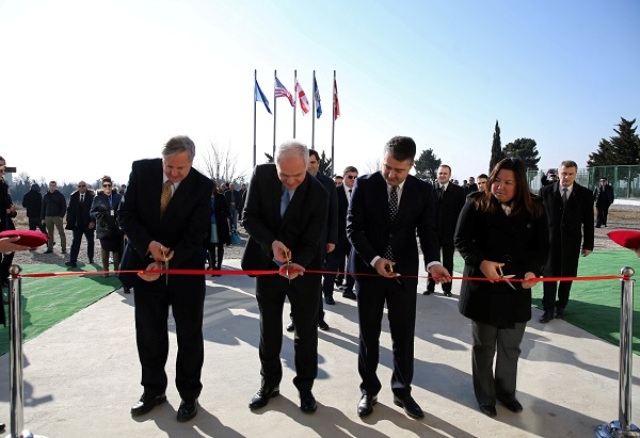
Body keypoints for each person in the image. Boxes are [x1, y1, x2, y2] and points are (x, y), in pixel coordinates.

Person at [347, 136, 451, 419]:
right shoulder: (365, 185)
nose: (391, 174)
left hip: (403, 272)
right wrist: (375, 260)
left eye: (399, 170)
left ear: (411, 165)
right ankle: (369, 390)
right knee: (368, 334)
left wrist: (433, 262)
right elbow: (353, 229)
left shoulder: (422, 190)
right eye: (387, 167)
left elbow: (428, 230)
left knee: (403, 334)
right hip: (369, 270)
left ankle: (402, 391)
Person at [118, 135, 212, 422]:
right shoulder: (142, 171)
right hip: (145, 266)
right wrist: (149, 247)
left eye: (181, 168)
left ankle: (189, 395)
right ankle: (153, 390)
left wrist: (167, 261)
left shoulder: (202, 186)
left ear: (191, 162)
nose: (173, 173)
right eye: (168, 166)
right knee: (149, 332)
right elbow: (126, 215)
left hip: (185, 269)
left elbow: (197, 234)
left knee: (189, 334)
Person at [455, 158, 549, 417]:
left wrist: (533, 271)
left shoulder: (535, 207)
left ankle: (506, 392)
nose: (500, 187)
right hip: (484, 287)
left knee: (511, 346)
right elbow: (461, 240)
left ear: (520, 185)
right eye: (497, 180)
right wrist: (481, 262)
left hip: (516, 288)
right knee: (484, 346)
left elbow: (541, 248)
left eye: (508, 182)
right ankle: (485, 396)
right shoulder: (476, 203)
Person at [241, 140, 328, 414]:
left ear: (307, 166)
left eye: (297, 175)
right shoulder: (261, 175)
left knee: (306, 332)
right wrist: (271, 244)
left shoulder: (319, 193)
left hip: (304, 270)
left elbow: (313, 239)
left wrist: (298, 263)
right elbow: (248, 217)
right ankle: (269, 383)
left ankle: (305, 388)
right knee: (269, 328)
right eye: (284, 175)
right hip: (267, 265)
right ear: (275, 166)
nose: (290, 181)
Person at [286, 149, 337, 332]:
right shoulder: (293, 181)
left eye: (313, 162)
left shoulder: (328, 184)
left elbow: (334, 212)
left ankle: (318, 317)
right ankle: (295, 318)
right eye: (306, 163)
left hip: (319, 241)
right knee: (294, 281)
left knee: (315, 282)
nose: (310, 166)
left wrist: (332, 239)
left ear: (318, 163)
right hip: (295, 241)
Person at [539, 160, 594, 323]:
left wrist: (588, 245)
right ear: (558, 173)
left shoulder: (585, 194)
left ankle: (561, 306)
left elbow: (589, 221)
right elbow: (538, 218)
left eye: (571, 174)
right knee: (549, 275)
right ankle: (548, 309)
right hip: (550, 242)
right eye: (564, 173)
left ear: (576, 175)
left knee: (567, 275)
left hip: (571, 242)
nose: (567, 177)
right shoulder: (545, 191)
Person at [424, 164, 465, 297]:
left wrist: (458, 232)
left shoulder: (459, 192)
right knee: (432, 260)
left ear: (449, 175)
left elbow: (461, 214)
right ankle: (430, 287)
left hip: (449, 233)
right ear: (437, 175)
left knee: (448, 261)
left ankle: (447, 289)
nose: (442, 176)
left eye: (445, 173)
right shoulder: (429, 190)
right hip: (433, 233)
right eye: (440, 173)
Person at [323, 166, 358, 302]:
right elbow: (330, 215)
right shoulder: (335, 192)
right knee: (332, 265)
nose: (353, 180)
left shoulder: (358, 192)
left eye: (355, 177)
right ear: (344, 177)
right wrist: (329, 237)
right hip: (337, 236)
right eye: (350, 177)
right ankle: (328, 293)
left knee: (352, 264)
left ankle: (348, 289)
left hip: (353, 236)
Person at [90, 176, 123, 278]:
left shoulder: (118, 197)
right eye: (105, 186)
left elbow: (123, 209)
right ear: (102, 187)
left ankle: (117, 270)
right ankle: (105, 271)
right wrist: (97, 215)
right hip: (103, 227)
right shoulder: (98, 198)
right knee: (105, 249)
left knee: (116, 250)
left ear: (112, 186)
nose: (107, 187)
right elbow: (91, 212)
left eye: (109, 185)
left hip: (116, 227)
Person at [65, 181, 96, 267]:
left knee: (90, 242)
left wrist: (93, 221)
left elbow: (95, 210)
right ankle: (73, 260)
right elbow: (70, 209)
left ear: (86, 186)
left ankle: (91, 259)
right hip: (77, 224)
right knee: (76, 242)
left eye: (83, 186)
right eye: (79, 186)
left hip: (88, 224)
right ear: (77, 187)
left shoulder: (92, 196)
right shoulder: (74, 196)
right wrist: (69, 220)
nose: (81, 187)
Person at [206, 181, 231, 273]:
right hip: (209, 225)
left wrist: (229, 219)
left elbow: (226, 209)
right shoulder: (205, 197)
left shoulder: (221, 197)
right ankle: (213, 267)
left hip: (220, 224)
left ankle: (219, 267)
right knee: (210, 246)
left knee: (220, 245)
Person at [41, 181, 67, 254]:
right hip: (48, 217)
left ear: (56, 187)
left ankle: (63, 248)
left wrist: (61, 216)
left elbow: (64, 207)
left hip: (57, 217)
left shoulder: (60, 195)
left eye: (53, 186)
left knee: (61, 233)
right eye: (51, 186)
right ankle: (50, 248)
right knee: (50, 234)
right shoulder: (46, 196)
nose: (52, 187)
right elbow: (43, 207)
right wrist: (42, 218)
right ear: (49, 186)